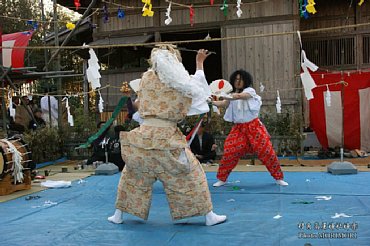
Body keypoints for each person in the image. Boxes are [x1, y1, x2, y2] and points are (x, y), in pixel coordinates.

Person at [108, 46, 226, 226]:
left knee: (132, 176)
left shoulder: (146, 78)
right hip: (166, 140)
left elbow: (140, 104)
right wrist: (199, 63)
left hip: (143, 137)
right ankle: (209, 216)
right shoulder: (177, 82)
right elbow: (197, 91)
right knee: (192, 174)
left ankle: (118, 215)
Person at [212, 69, 288, 187]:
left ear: (246, 81)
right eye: (236, 79)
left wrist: (225, 95)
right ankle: (222, 179)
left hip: (254, 127)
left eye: (241, 79)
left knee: (267, 152)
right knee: (230, 152)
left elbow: (239, 96)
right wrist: (211, 101)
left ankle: (278, 177)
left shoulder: (250, 91)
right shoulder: (231, 95)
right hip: (239, 129)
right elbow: (223, 103)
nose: (238, 81)